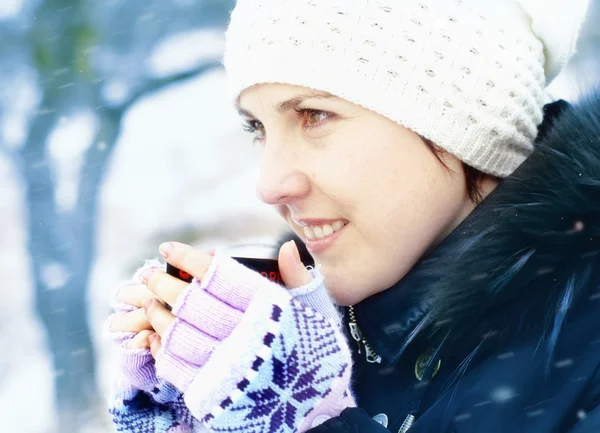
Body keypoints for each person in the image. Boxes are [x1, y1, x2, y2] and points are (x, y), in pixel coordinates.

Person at [106, 0, 600, 432]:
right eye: (259, 127)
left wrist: (313, 422)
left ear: (467, 125)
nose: (270, 185)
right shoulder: (301, 326)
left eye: (314, 115)